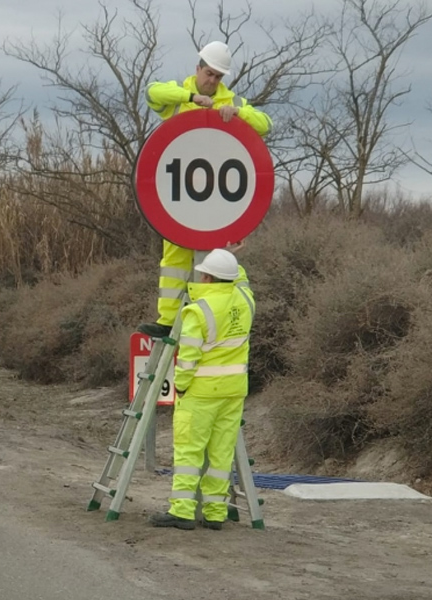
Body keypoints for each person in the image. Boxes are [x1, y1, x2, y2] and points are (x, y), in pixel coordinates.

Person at [137, 41, 271, 338]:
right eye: (208, 73)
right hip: (180, 195)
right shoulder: (179, 94)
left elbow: (265, 124)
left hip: (217, 199)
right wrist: (192, 97)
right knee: (173, 260)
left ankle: (204, 324)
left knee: (210, 264)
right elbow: (151, 93)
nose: (212, 81)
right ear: (198, 69)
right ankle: (167, 322)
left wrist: (236, 114)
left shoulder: (232, 101)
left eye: (218, 77)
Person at [149, 248, 254, 531]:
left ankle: (182, 512)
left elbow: (188, 358)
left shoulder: (198, 310)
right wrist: (229, 243)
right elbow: (240, 278)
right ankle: (215, 513)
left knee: (188, 453)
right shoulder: (245, 300)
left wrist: (180, 387)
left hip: (201, 392)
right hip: (234, 392)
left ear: (206, 276)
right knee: (221, 455)